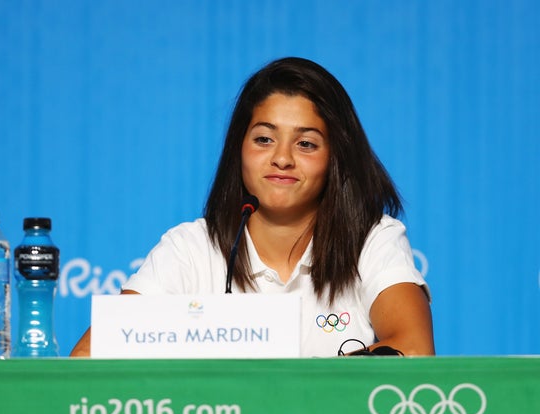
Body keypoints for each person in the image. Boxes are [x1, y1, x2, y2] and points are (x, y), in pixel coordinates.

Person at [71, 57, 434, 357]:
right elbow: (89, 355)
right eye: (264, 139)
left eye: (306, 144)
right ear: (239, 148)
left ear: (335, 157)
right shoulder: (191, 247)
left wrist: (291, 388)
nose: (282, 158)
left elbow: (413, 348)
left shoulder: (371, 239)